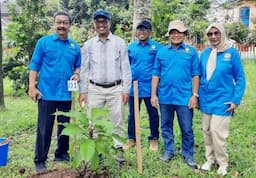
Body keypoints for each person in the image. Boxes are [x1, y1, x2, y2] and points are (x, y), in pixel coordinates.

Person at [28, 11, 81, 172]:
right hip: (46, 93)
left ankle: (61, 153)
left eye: (65, 23)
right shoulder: (43, 43)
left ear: (70, 26)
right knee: (44, 128)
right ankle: (40, 159)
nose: (62, 26)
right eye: (59, 22)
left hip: (65, 93)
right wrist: (32, 86)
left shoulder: (75, 46)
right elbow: (34, 65)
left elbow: (78, 65)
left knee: (64, 126)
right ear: (54, 24)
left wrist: (77, 74)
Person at [78, 10, 131, 161]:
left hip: (116, 88)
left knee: (118, 121)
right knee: (94, 122)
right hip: (95, 89)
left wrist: (126, 89)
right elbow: (84, 69)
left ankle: (119, 153)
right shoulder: (88, 45)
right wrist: (83, 91)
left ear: (109, 23)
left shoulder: (119, 43)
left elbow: (125, 68)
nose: (101, 24)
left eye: (104, 21)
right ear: (94, 24)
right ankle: (97, 152)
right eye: (98, 22)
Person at [151, 20, 199, 169]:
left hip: (184, 97)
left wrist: (195, 95)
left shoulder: (191, 52)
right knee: (165, 125)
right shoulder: (162, 52)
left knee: (186, 127)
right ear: (169, 35)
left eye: (179, 32)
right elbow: (156, 74)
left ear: (184, 34)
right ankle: (169, 150)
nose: (176, 35)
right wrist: (153, 94)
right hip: (165, 96)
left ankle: (188, 153)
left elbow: (196, 75)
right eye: (173, 32)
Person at [199, 23, 246, 176]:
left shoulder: (231, 53)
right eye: (210, 34)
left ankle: (222, 163)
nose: (213, 36)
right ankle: (210, 159)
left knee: (217, 132)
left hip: (223, 101)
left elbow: (240, 78)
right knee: (206, 131)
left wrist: (236, 99)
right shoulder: (205, 53)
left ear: (222, 34)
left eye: (216, 33)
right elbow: (200, 76)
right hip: (206, 100)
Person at [123, 20, 161, 151]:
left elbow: (160, 66)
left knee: (153, 113)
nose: (142, 32)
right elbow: (126, 66)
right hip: (134, 87)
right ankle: (131, 139)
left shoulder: (157, 47)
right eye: (139, 29)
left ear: (150, 32)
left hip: (151, 88)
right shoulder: (131, 47)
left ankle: (154, 138)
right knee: (133, 114)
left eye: (145, 29)